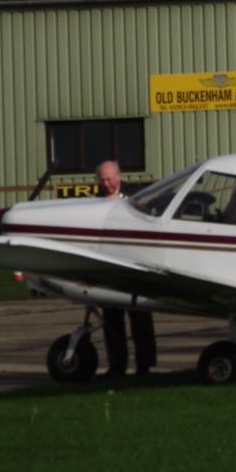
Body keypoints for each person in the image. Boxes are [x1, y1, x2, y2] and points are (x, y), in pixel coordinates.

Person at [96, 160, 157, 377]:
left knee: (140, 318)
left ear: (119, 176)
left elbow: (153, 204)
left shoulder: (137, 193)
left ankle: (145, 364)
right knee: (111, 319)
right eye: (102, 180)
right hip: (110, 266)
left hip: (134, 264)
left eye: (109, 179)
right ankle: (117, 365)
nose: (106, 184)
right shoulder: (96, 200)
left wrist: (122, 202)